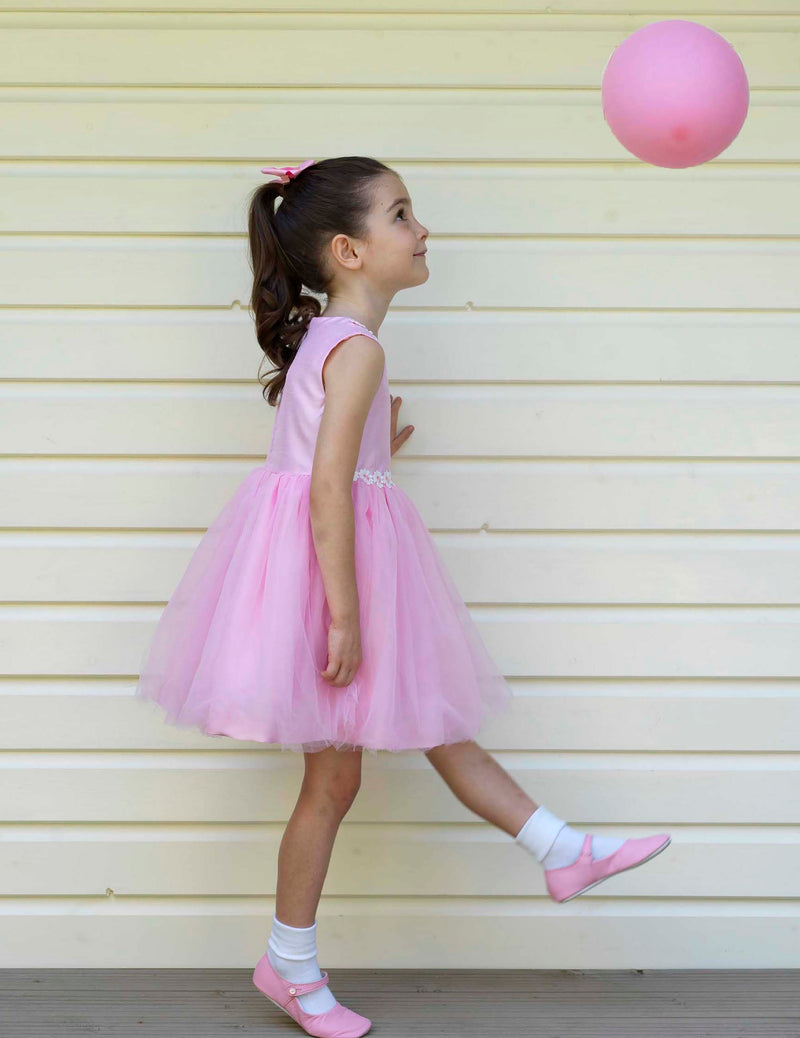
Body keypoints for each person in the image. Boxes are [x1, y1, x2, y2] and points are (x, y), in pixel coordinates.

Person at [135, 156, 671, 1038]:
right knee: (344, 771)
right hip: (333, 576)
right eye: (402, 215)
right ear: (350, 250)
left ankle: (559, 849)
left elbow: (331, 464)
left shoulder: (336, 346)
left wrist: (382, 449)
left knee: (420, 727)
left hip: (339, 562)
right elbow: (326, 489)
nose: (421, 231)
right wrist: (343, 612)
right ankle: (295, 963)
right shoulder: (357, 348)